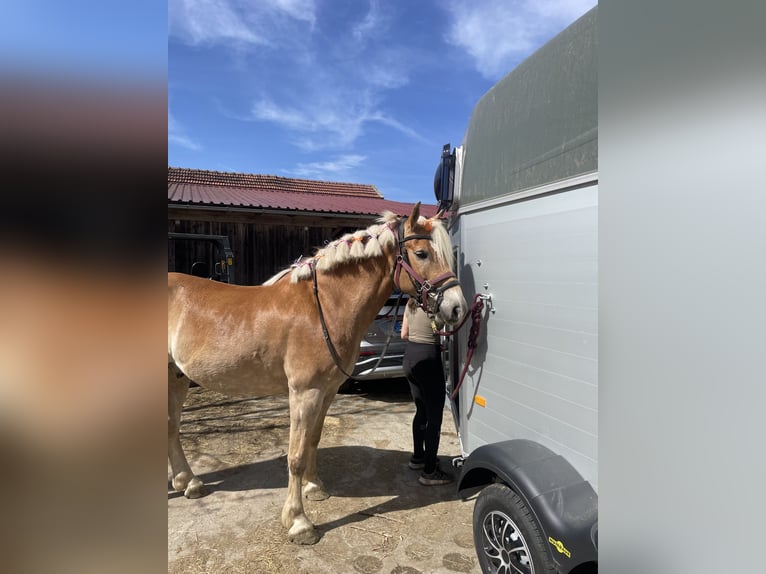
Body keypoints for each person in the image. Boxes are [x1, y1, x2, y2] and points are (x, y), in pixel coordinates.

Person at [400, 299, 453, 485]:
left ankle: (418, 458)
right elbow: (444, 324)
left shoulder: (410, 303)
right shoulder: (434, 305)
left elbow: (404, 334)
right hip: (428, 359)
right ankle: (429, 472)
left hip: (410, 358)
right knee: (435, 416)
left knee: (421, 410)